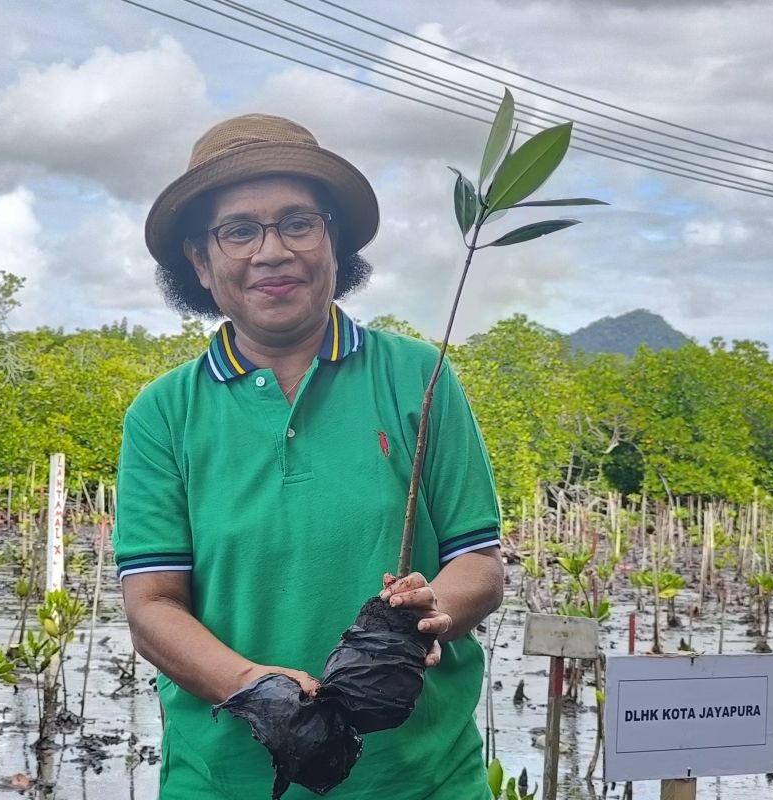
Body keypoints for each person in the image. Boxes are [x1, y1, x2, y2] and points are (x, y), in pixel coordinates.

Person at [115, 113, 504, 799]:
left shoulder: (421, 375)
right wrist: (249, 684)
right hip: (224, 780)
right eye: (238, 230)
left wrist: (432, 608)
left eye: (298, 222)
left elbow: (480, 562)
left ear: (334, 244)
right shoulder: (164, 411)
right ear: (200, 264)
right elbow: (152, 604)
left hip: (419, 778)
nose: (272, 252)